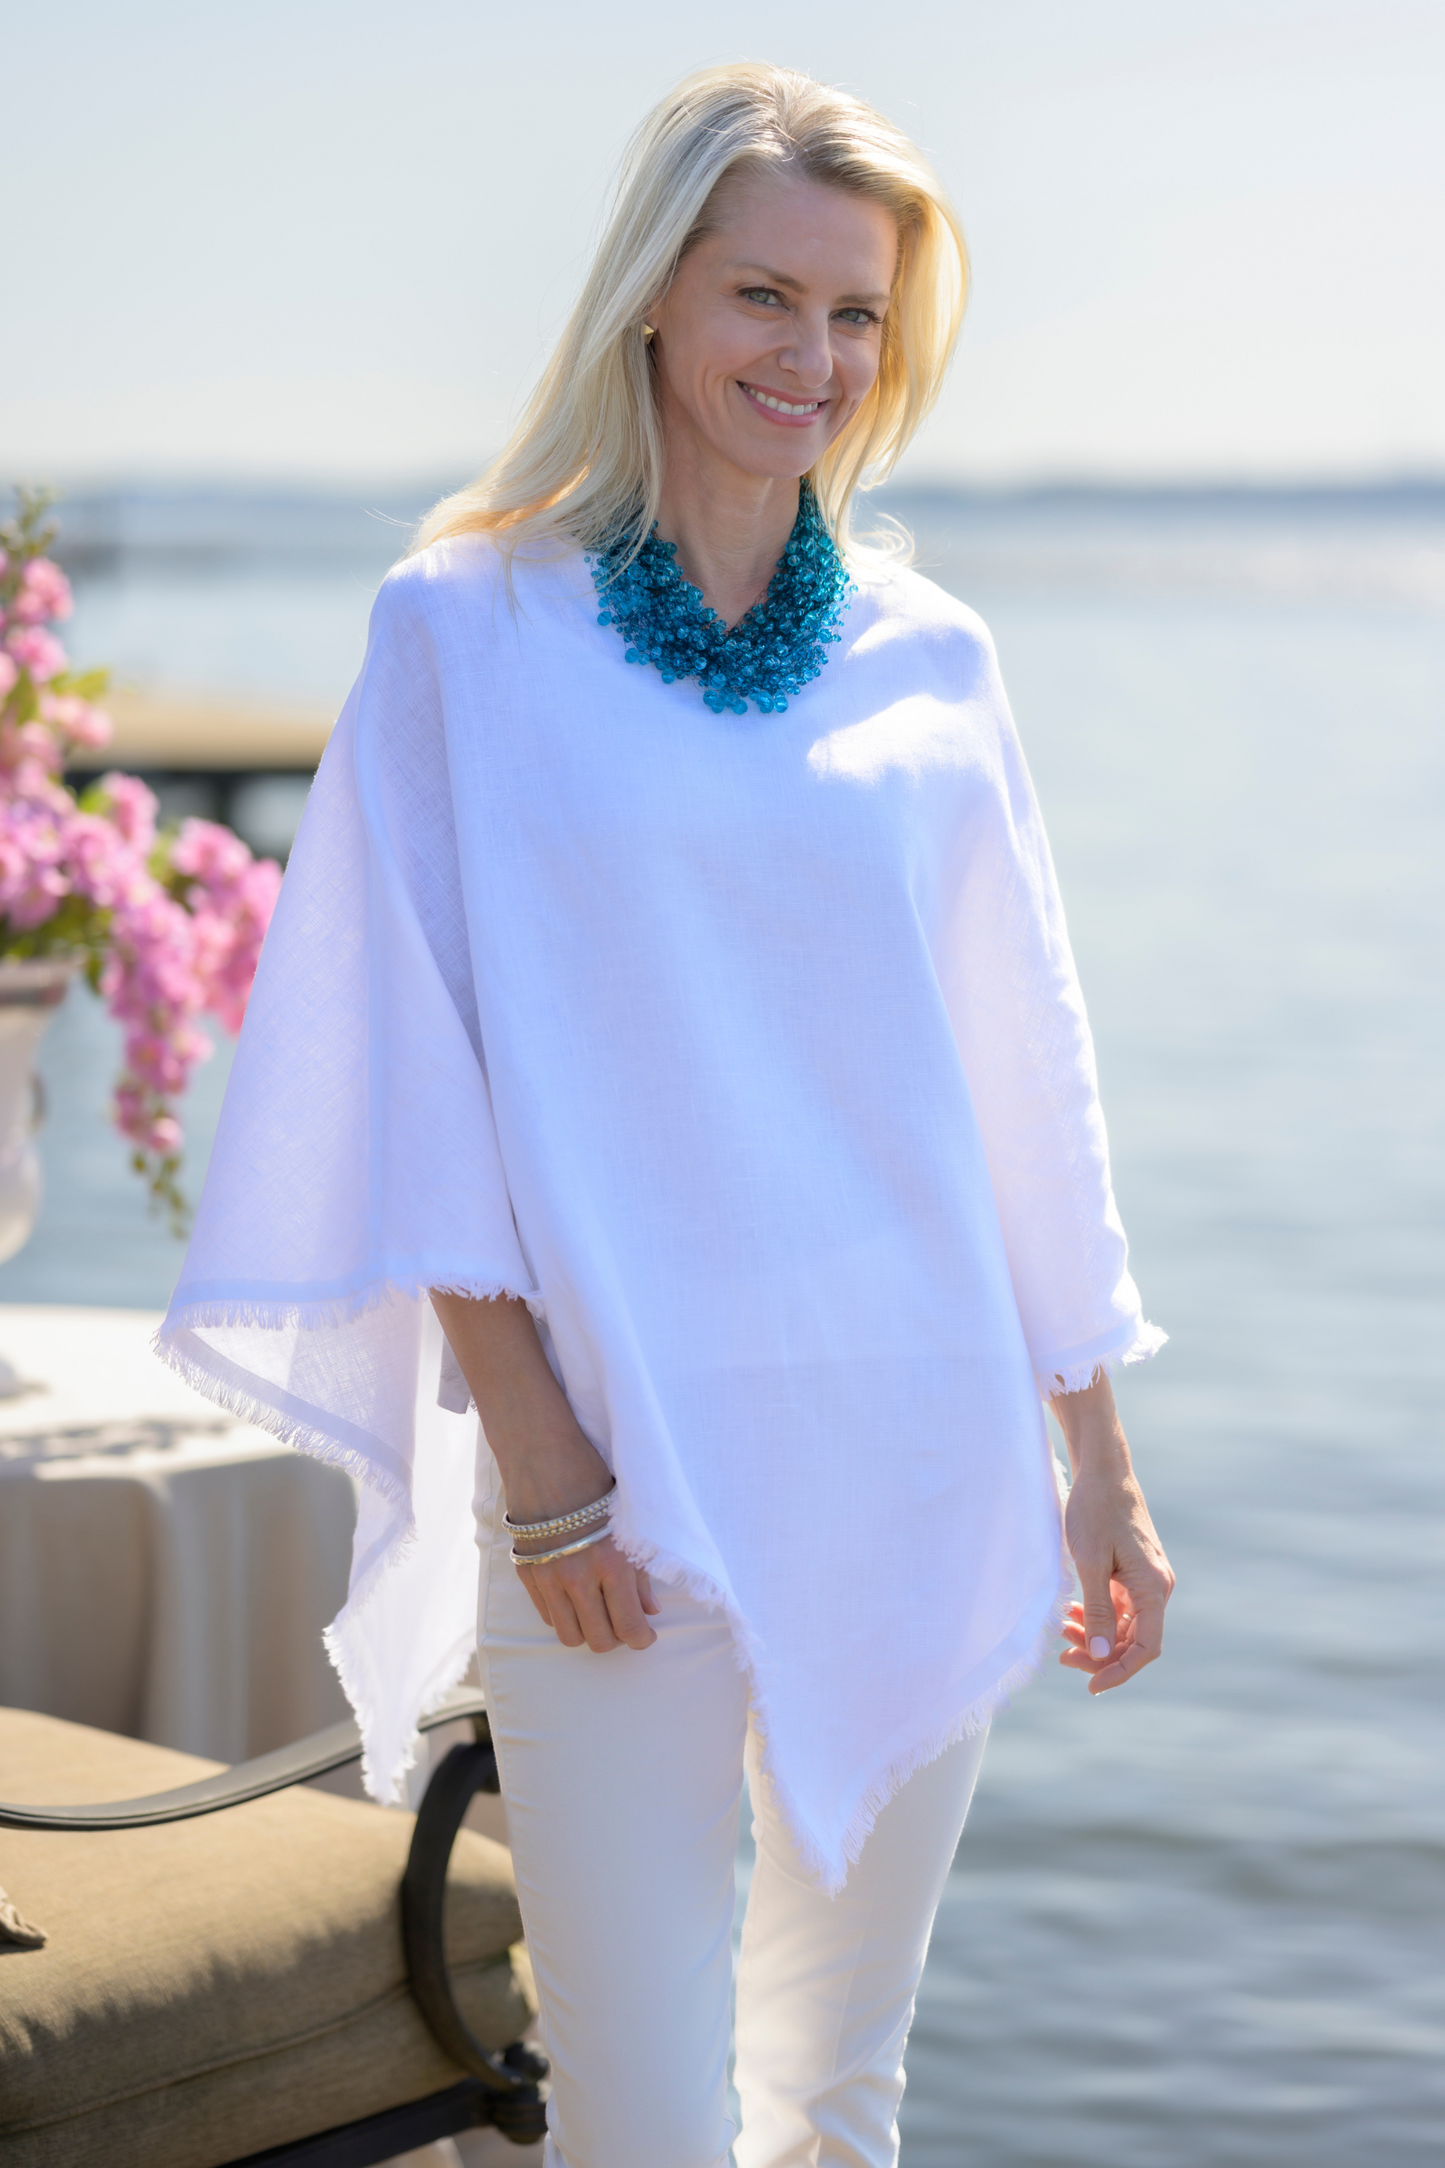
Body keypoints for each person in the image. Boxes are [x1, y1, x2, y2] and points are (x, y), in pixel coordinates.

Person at [159, 61, 1174, 2168]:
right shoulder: (468, 627)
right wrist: (538, 1463)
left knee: (839, 2095)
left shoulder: (932, 661)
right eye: (761, 296)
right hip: (609, 1481)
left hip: (915, 1443)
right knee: (634, 2116)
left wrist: (1098, 1461)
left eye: (855, 313)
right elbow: (413, 1065)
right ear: (650, 294)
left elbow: (1025, 1072)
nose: (812, 357)